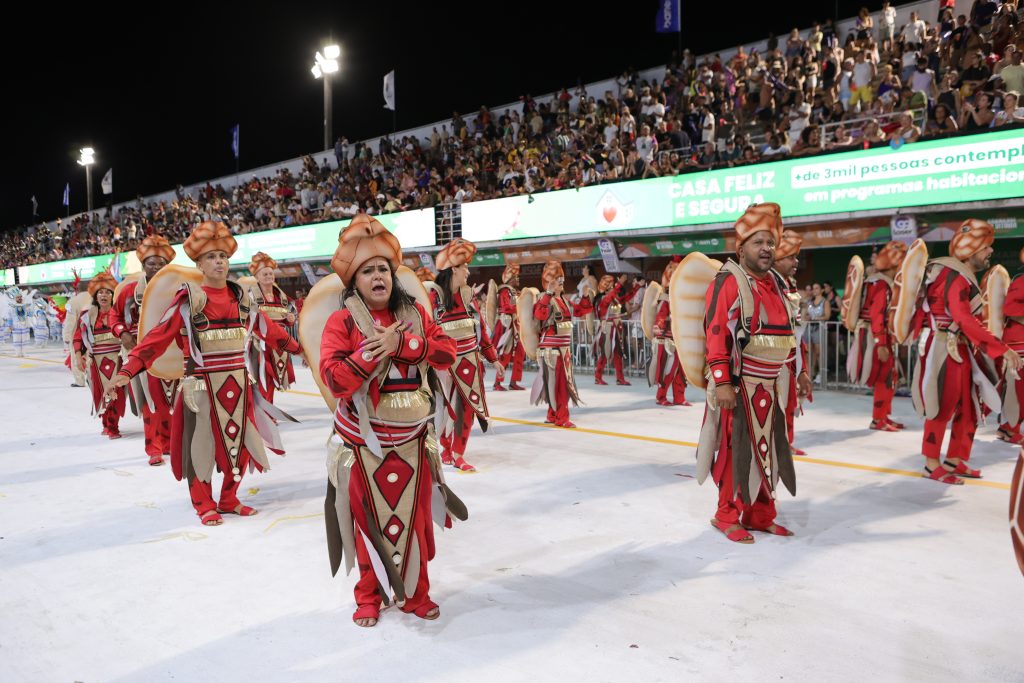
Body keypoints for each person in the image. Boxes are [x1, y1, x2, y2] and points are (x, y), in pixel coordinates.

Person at [108, 221, 303, 526]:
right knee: (201, 448)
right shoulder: (188, 299)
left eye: (223, 256)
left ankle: (229, 498)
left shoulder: (242, 298)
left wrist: (299, 348)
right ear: (199, 264)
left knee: (240, 446)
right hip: (200, 387)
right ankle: (204, 504)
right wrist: (128, 369)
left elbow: (271, 331)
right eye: (211, 257)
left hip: (239, 384)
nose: (219, 262)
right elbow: (157, 338)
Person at [318, 213, 461, 628]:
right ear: (354, 281)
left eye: (383, 268)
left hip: (414, 442)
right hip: (363, 446)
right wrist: (369, 354)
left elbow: (448, 352)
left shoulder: (415, 313)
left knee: (414, 520)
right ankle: (369, 597)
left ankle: (417, 594)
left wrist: (404, 343)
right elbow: (334, 379)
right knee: (366, 522)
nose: (377, 275)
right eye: (368, 270)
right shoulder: (342, 321)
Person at [695, 203, 811, 544]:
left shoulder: (776, 283)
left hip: (774, 384)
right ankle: (726, 515)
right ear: (740, 247)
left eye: (770, 243)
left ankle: (761, 514)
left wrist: (798, 370)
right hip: (740, 383)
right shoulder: (727, 282)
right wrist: (722, 381)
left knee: (771, 449)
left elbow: (787, 332)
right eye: (759, 242)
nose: (766, 249)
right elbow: (715, 333)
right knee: (735, 450)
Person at [910, 220, 1022, 483]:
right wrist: (1000, 349)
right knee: (941, 405)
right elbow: (963, 318)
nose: (990, 252)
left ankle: (956, 459)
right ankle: (931, 463)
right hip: (942, 347)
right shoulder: (952, 274)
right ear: (971, 249)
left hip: (959, 347)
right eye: (986, 248)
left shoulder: (959, 274)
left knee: (970, 407)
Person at [428, 238, 504, 472]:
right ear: (453, 269)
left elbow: (479, 328)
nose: (468, 271)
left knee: (468, 409)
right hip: (443, 367)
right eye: (465, 267)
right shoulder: (433, 298)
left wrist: (493, 358)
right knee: (444, 408)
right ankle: (447, 449)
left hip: (470, 363)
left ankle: (459, 453)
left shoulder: (467, 296)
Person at [109, 234, 176, 465]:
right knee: (151, 401)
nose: (156, 267)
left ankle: (169, 444)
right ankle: (154, 448)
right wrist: (123, 333)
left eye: (161, 264)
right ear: (143, 265)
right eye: (151, 263)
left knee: (174, 401)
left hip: (173, 353)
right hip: (143, 353)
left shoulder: (177, 290)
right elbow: (114, 315)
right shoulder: (129, 291)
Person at [848, 242, 908, 432]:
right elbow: (877, 315)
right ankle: (878, 419)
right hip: (875, 335)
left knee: (890, 376)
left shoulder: (879, 281)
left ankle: (883, 416)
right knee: (885, 376)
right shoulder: (881, 284)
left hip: (876, 334)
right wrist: (881, 342)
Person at [772, 230, 811, 455]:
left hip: (790, 352)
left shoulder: (789, 284)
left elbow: (795, 329)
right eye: (790, 257)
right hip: (771, 358)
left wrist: (801, 368)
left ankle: (785, 442)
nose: (796, 262)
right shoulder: (766, 284)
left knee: (789, 401)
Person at [74, 272, 126, 439]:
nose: (104, 295)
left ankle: (113, 425)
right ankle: (107, 423)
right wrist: (78, 355)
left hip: (118, 359)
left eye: (108, 292)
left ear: (113, 295)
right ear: (96, 295)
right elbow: (77, 337)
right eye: (101, 292)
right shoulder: (86, 315)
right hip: (96, 361)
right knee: (100, 392)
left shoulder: (120, 314)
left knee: (117, 392)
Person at [531, 260, 580, 428]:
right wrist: (548, 293)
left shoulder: (564, 300)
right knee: (558, 385)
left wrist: (588, 296)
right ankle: (561, 417)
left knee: (561, 383)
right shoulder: (544, 298)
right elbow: (539, 314)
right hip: (552, 349)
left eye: (561, 280)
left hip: (563, 348)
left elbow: (581, 310)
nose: (561, 283)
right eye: (557, 280)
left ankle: (552, 414)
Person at [248, 252, 297, 404]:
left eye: (270, 273)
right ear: (257, 277)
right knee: (263, 379)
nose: (269, 276)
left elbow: (291, 314)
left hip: (280, 344)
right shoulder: (251, 295)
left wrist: (291, 319)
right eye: (264, 274)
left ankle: (268, 411)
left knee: (275, 379)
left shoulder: (280, 295)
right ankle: (265, 414)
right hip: (260, 345)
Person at [650, 256, 690, 406]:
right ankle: (661, 397)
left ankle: (680, 397)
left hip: (679, 338)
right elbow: (660, 315)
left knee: (681, 370)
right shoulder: (666, 297)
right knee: (668, 369)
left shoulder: (682, 298)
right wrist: (660, 325)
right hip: (667, 338)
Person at [997, 247, 1024, 445]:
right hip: (1018, 341)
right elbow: (1009, 308)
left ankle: (1007, 427)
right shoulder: (1020, 281)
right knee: (1018, 388)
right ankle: (1010, 428)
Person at [594, 274, 639, 385]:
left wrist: (637, 287)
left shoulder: (614, 298)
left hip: (616, 328)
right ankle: (598, 376)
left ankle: (620, 378)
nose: (614, 285)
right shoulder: (602, 298)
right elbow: (608, 299)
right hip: (607, 328)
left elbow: (626, 298)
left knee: (618, 353)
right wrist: (619, 285)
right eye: (611, 283)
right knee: (605, 352)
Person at [490, 264, 526, 391]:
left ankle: (514, 381)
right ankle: (497, 383)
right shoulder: (505, 291)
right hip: (507, 325)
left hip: (516, 324)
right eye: (516, 276)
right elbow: (505, 308)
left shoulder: (515, 292)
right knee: (505, 353)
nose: (518, 279)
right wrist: (519, 306)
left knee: (520, 352)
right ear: (510, 278)